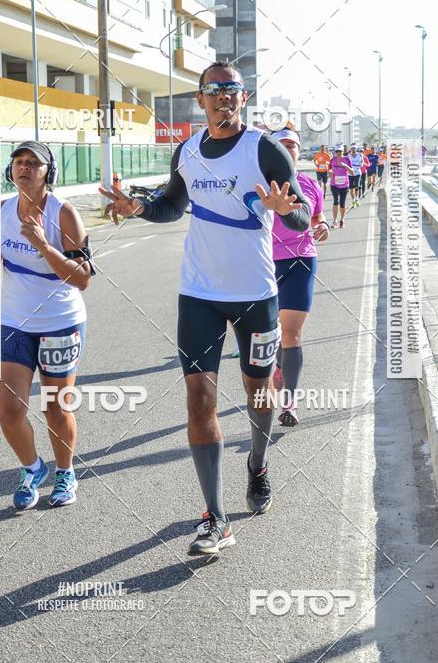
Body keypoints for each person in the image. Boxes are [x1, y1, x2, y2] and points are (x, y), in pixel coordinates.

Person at [100, 62, 311, 557]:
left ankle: (257, 464)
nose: (222, 97)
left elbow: (300, 214)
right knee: (199, 400)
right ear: (200, 99)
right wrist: (139, 208)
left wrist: (286, 211)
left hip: (256, 295)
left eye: (231, 89)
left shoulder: (265, 149)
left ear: (244, 97)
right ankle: (215, 518)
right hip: (198, 294)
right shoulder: (188, 150)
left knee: (260, 394)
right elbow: (173, 205)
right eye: (213, 90)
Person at [0, 141, 95, 511]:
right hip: (12, 322)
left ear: (47, 172)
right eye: (18, 162)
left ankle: (65, 471)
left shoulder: (64, 214)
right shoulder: (0, 211)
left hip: (60, 322)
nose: (24, 168)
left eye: (32, 163)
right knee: (8, 409)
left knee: (56, 406)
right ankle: (32, 467)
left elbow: (82, 278)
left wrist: (43, 246)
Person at [271, 129, 328, 426]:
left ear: (299, 151)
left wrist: (323, 225)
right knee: (274, 333)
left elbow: (317, 217)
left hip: (301, 260)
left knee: (291, 332)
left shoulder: (310, 184)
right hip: (264, 265)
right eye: (282, 145)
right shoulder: (256, 184)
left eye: (292, 145)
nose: (288, 149)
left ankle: (289, 402)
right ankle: (279, 364)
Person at [329, 145, 353, 228]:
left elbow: (352, 172)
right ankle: (335, 220)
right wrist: (330, 172)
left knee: (342, 204)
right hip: (334, 184)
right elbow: (329, 170)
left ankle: (342, 219)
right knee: (336, 201)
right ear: (335, 152)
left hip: (344, 184)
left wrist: (345, 166)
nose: (338, 153)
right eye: (337, 151)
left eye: (340, 151)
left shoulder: (347, 159)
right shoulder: (332, 159)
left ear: (343, 151)